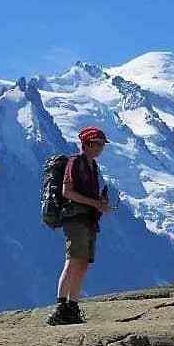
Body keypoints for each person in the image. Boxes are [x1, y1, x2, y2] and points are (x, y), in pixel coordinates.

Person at [47, 126, 111, 326]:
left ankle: (72, 306)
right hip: (75, 219)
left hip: (89, 219)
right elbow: (67, 192)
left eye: (102, 144)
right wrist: (94, 203)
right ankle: (60, 307)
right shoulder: (75, 162)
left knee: (82, 263)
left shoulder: (93, 166)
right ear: (87, 144)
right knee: (73, 260)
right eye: (98, 144)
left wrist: (99, 202)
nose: (101, 148)